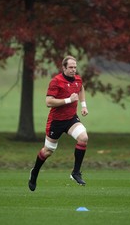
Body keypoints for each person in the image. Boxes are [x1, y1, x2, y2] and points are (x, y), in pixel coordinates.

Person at [28, 55, 89, 191]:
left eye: (75, 67)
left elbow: (81, 88)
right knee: (48, 151)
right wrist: (68, 100)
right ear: (64, 68)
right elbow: (48, 102)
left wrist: (83, 105)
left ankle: (76, 172)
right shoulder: (56, 81)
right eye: (71, 67)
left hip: (71, 119)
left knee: (83, 138)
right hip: (56, 122)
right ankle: (35, 172)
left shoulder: (78, 79)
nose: (73, 70)